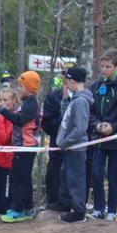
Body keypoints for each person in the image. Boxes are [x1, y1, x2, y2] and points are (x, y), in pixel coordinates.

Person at [0, 71, 41, 223]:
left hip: (25, 147)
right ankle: (27, 208)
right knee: (23, 178)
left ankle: (18, 210)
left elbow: (18, 120)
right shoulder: (26, 102)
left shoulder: (31, 103)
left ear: (29, 87)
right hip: (22, 146)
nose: (19, 89)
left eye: (21, 86)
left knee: (18, 179)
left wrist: (0, 108)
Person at [88, 49, 117, 220]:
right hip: (98, 138)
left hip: (116, 139)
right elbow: (90, 111)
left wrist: (113, 127)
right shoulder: (96, 86)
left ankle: (112, 210)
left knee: (113, 176)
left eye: (108, 67)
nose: (104, 70)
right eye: (102, 66)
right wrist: (97, 125)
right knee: (96, 174)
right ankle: (99, 209)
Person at [56, 67, 93, 223]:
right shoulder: (75, 100)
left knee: (76, 180)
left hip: (76, 147)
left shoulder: (81, 101)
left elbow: (80, 128)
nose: (65, 85)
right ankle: (69, 206)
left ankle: (79, 212)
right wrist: (65, 100)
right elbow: (67, 118)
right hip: (70, 147)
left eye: (67, 82)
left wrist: (65, 142)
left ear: (72, 81)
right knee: (68, 178)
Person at [42, 74, 68, 210]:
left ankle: (74, 204)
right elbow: (46, 124)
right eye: (65, 78)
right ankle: (53, 202)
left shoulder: (84, 97)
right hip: (57, 147)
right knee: (53, 175)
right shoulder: (53, 97)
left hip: (78, 148)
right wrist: (63, 118)